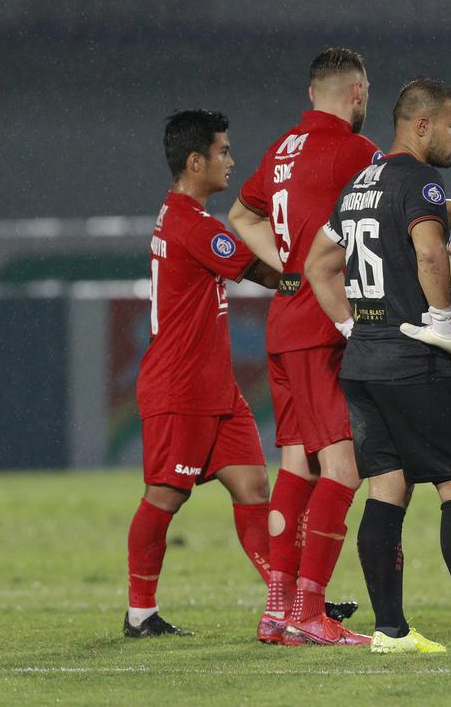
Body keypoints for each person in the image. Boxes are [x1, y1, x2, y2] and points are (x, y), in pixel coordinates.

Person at [228, 47, 451, 646]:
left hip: (302, 325)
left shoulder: (283, 151)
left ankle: (297, 609)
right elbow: (423, 222)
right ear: (359, 94)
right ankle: (321, 611)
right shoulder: (359, 154)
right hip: (362, 334)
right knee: (394, 474)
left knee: (312, 464)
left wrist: (293, 276)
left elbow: (247, 217)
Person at [306, 77, 451, 655]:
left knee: (387, 487)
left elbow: (317, 265)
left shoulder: (362, 183)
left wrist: (350, 327)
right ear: (421, 124)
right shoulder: (419, 179)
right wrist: (441, 320)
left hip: (365, 362)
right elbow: (431, 250)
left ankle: (390, 631)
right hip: (415, 358)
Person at [126, 109, 281, 637]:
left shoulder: (177, 217)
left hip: (214, 387)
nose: (231, 161)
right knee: (166, 495)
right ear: (196, 162)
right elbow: (261, 272)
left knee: (255, 486)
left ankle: (287, 604)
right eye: (223, 152)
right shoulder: (193, 224)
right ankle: (140, 613)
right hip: (181, 386)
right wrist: (316, 275)